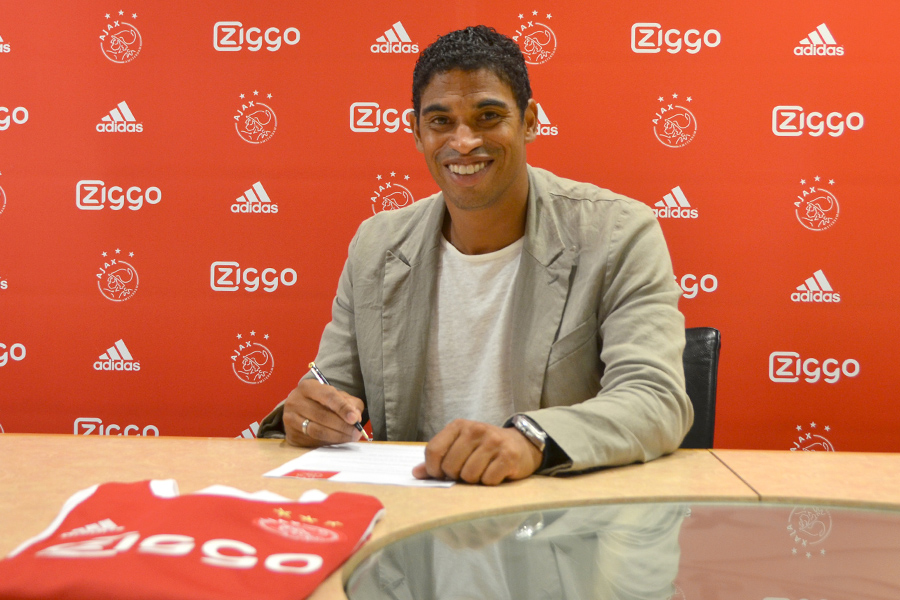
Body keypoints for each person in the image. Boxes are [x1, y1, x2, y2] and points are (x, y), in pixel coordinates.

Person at [258, 25, 692, 485]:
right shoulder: (377, 245)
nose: (463, 141)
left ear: (529, 121)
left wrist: (530, 441)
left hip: (557, 515)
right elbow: (330, 393)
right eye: (440, 122)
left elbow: (656, 399)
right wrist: (309, 416)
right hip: (411, 514)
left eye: (488, 116)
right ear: (416, 132)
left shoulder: (618, 233)